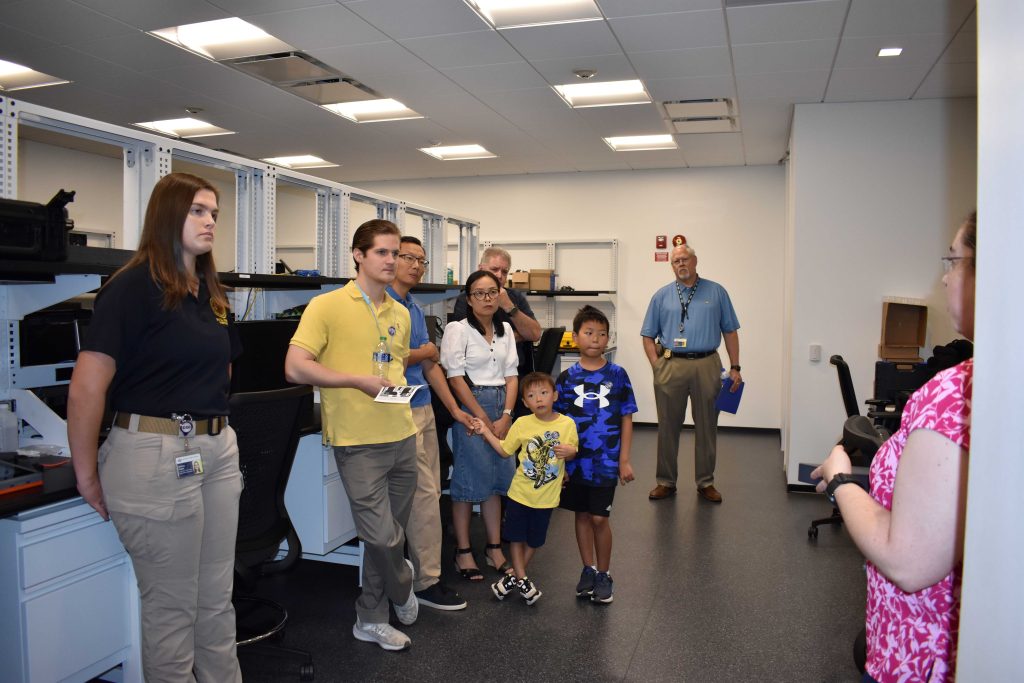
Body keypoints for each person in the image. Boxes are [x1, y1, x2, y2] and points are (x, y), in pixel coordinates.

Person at [67, 172, 243, 681]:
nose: (210, 221)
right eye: (198, 211)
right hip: (154, 452)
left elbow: (223, 369)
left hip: (215, 449)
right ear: (168, 215)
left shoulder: (210, 292)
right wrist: (86, 473)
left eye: (214, 213)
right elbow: (86, 388)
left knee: (216, 600)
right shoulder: (132, 287)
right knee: (172, 611)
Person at [812, 213, 976, 683]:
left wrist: (840, 477)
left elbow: (908, 560)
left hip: (920, 655)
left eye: (954, 260)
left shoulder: (952, 393)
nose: (945, 276)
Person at [285, 219, 419, 652]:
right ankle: (404, 584)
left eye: (396, 253)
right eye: (382, 252)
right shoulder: (326, 306)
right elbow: (295, 366)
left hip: (401, 433)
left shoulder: (399, 311)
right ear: (358, 255)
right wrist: (354, 381)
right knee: (382, 538)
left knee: (390, 535)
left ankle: (371, 617)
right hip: (356, 441)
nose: (392, 260)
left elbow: (393, 367)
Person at [387, 235, 475, 611]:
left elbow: (429, 364)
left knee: (429, 492)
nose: (416, 265)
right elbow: (387, 358)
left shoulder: (413, 306)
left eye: (421, 260)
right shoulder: (381, 305)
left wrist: (454, 410)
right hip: (395, 409)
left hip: (421, 406)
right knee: (423, 497)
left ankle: (421, 572)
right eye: (408, 257)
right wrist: (423, 351)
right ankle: (426, 581)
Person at [641, 242, 742, 503]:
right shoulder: (661, 296)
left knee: (707, 426)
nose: (681, 264)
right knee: (667, 426)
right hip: (671, 365)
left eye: (685, 259)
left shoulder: (717, 292)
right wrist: (657, 366)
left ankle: (706, 482)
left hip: (707, 364)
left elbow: (730, 331)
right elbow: (647, 335)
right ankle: (665, 481)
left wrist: (735, 367)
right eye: (676, 261)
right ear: (671, 265)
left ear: (695, 261)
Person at [554, 305, 638, 604]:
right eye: (589, 333)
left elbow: (627, 417)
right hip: (575, 463)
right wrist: (560, 465)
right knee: (580, 515)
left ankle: (604, 573)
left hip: (605, 461)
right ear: (575, 337)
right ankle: (587, 569)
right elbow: (558, 423)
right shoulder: (566, 379)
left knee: (600, 519)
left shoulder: (618, 375)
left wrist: (624, 460)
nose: (596, 339)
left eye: (602, 334)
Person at [440, 270, 520, 580]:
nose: (487, 298)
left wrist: (507, 415)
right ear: (468, 299)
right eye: (479, 293)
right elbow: (455, 378)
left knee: (498, 479)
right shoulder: (457, 330)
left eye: (492, 292)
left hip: (502, 405)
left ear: (500, 294)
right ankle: (463, 551)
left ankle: (494, 548)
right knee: (468, 480)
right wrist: (483, 418)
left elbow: (512, 375)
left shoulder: (506, 330)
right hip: (472, 406)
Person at [471, 372, 578, 605]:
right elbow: (504, 451)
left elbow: (572, 450)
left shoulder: (567, 424)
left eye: (544, 393)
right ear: (524, 403)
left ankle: (513, 578)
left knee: (535, 541)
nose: (538, 399)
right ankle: (523, 579)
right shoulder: (522, 424)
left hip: (547, 498)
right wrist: (486, 432)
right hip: (520, 494)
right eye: (531, 395)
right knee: (517, 538)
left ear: (555, 395)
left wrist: (571, 453)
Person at [452, 246, 541, 412]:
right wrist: (511, 337)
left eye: (505, 271)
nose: (500, 275)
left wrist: (509, 307)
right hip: (479, 381)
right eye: (494, 269)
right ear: (481, 269)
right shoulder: (466, 299)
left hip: (516, 376)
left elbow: (534, 333)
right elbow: (472, 339)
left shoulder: (514, 297)